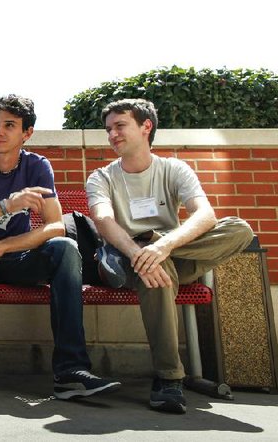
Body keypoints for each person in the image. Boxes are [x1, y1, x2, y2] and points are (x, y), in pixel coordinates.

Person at [0, 94, 119, 406]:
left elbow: (55, 226)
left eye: (9, 125)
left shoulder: (36, 166)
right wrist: (6, 205)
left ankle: (70, 371)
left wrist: (0, 245)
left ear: (26, 133)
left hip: (15, 257)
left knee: (65, 248)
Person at [86, 98, 254, 414]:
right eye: (109, 129)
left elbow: (205, 215)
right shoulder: (102, 177)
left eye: (120, 126)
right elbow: (103, 220)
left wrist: (163, 245)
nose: (112, 135)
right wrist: (141, 251)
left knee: (240, 229)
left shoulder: (174, 168)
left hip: (173, 251)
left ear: (146, 126)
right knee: (157, 272)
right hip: (130, 260)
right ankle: (169, 378)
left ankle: (156, 247)